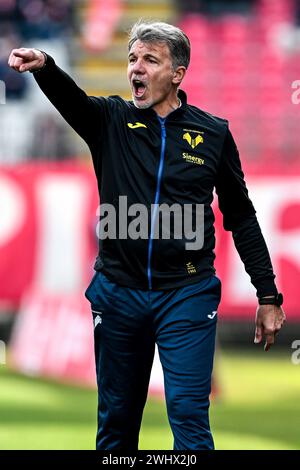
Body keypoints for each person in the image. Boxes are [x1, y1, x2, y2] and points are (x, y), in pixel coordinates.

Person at [8, 20, 286, 451]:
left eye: (150, 60)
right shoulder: (110, 120)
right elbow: (72, 101)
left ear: (177, 73)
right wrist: (45, 67)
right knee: (117, 427)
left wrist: (267, 295)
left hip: (187, 293)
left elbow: (242, 217)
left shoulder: (213, 133)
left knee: (191, 421)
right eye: (132, 59)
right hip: (119, 292)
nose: (136, 68)